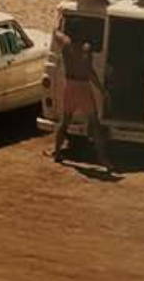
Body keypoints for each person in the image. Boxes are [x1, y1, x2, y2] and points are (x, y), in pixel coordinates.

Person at [46, 23, 114, 174]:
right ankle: (103, 159)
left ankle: (57, 152)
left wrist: (60, 21)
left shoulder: (66, 44)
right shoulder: (86, 48)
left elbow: (55, 32)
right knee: (94, 123)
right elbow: (90, 72)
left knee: (65, 121)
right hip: (83, 86)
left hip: (70, 85)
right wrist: (102, 90)